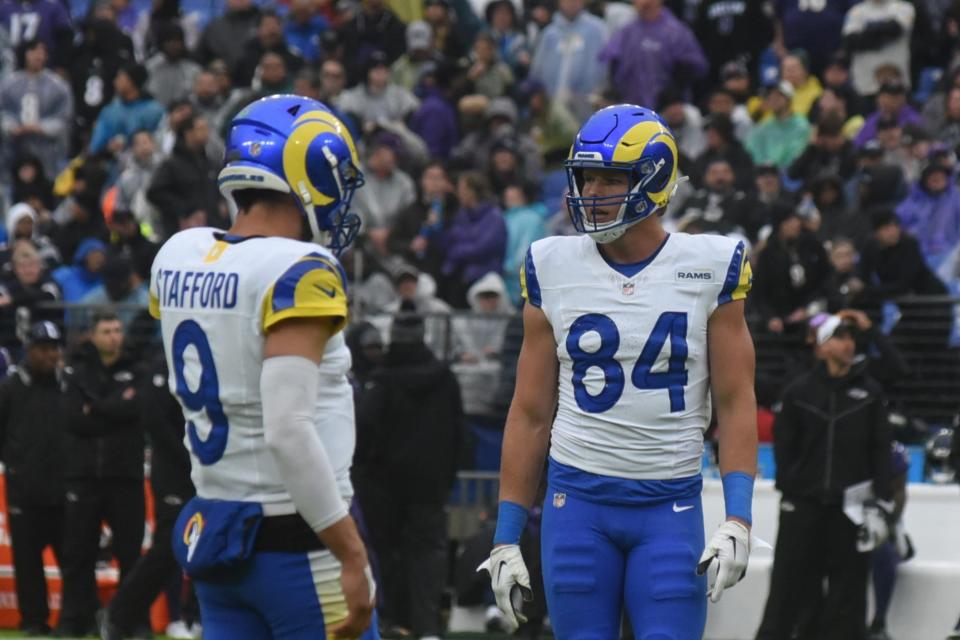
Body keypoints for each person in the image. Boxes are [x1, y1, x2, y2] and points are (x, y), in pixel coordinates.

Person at [481, 105, 758, 638]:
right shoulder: (550, 263)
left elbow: (735, 399)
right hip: (576, 501)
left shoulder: (710, 263)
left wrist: (738, 516)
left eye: (612, 177)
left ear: (654, 179)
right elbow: (531, 411)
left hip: (669, 502)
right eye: (587, 177)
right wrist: (505, 534)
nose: (594, 191)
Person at [149, 94, 376, 638]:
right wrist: (351, 555)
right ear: (310, 171)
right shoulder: (299, 267)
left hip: (219, 537)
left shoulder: (179, 252)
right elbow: (288, 430)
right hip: (300, 543)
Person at [755, 313, 893, 640]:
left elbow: (880, 450)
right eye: (839, 337)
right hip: (803, 508)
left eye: (850, 337)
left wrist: (880, 502)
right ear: (821, 347)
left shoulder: (870, 394)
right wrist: (791, 489)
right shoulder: (798, 392)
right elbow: (785, 446)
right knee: (788, 591)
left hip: (850, 511)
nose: (848, 344)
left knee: (848, 596)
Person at [57, 312, 146, 637]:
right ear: (92, 335)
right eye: (107, 330)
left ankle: (132, 621)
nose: (114, 336)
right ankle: (74, 620)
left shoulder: (137, 370)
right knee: (78, 553)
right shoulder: (77, 372)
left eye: (118, 330)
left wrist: (95, 407)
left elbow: (137, 410)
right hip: (84, 474)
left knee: (130, 553)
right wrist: (115, 408)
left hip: (126, 475)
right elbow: (72, 420)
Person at [0, 322, 66, 636]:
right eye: (44, 349)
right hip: (24, 491)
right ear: (30, 351)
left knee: (75, 559)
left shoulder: (67, 384)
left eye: (54, 348)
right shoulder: (11, 387)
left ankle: (76, 618)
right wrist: (15, 466)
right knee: (27, 562)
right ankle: (33, 621)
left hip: (64, 490)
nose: (50, 355)